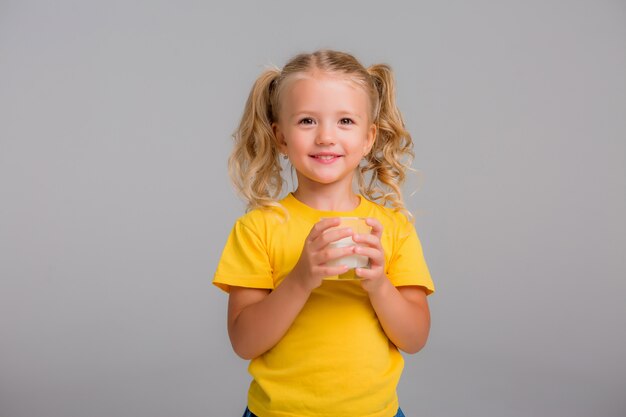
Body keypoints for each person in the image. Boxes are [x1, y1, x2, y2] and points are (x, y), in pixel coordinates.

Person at [213, 49, 435, 417]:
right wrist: (301, 278)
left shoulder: (394, 229)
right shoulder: (258, 228)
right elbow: (244, 342)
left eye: (345, 120)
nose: (326, 137)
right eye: (306, 122)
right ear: (280, 137)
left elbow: (414, 339)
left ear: (369, 138)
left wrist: (379, 284)